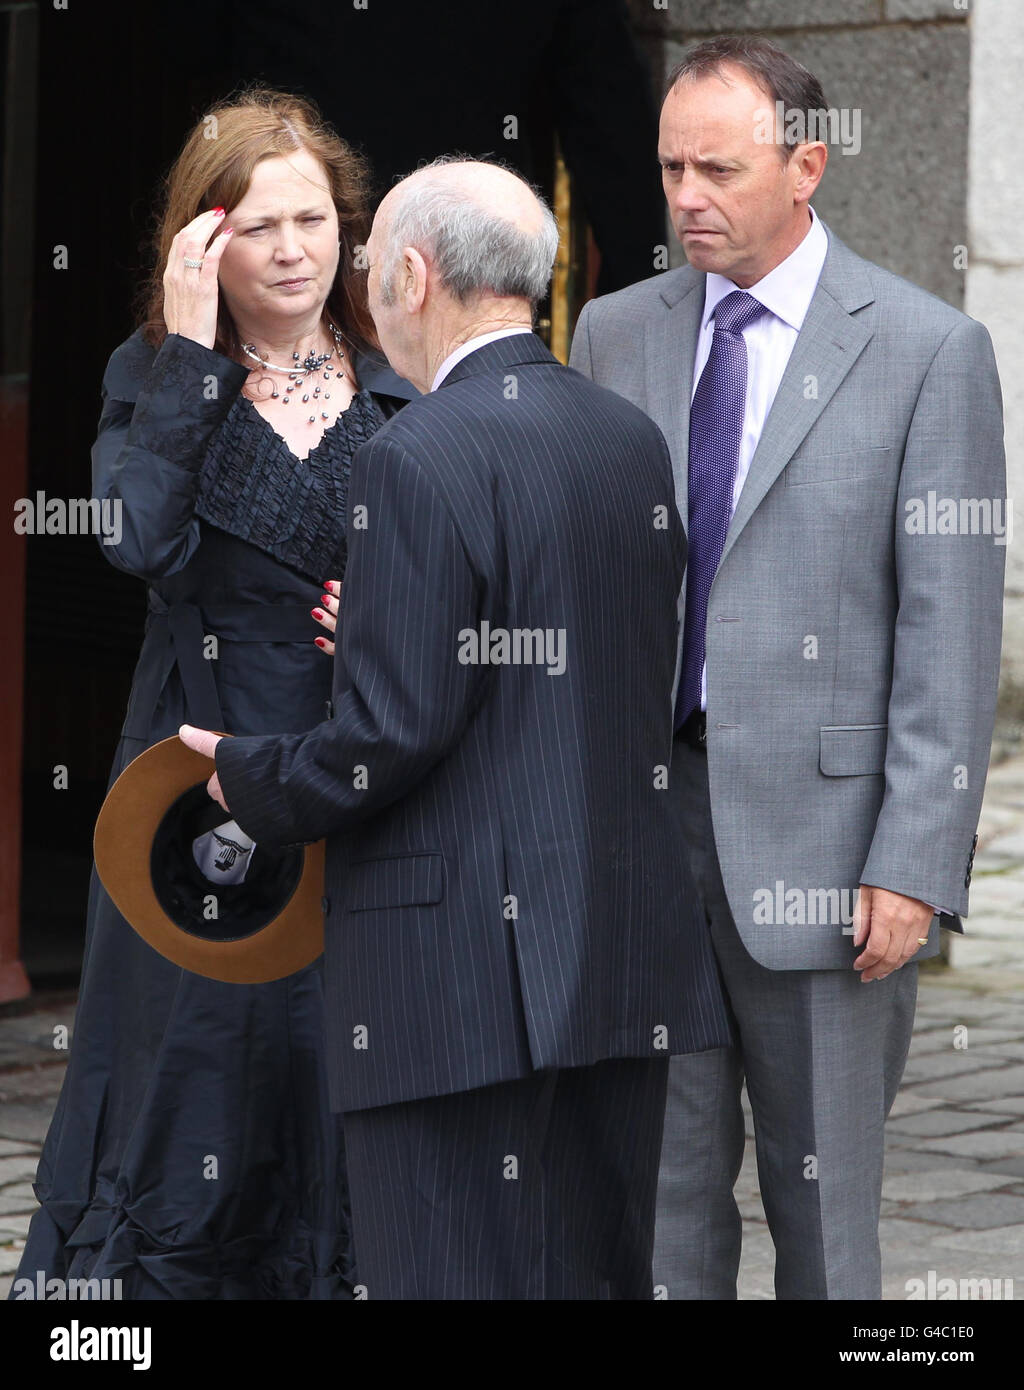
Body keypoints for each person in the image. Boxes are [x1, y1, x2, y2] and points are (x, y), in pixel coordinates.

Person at [180, 157, 733, 1300]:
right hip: (616, 949)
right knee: (592, 1275)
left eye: (375, 262)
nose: (369, 287)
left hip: (452, 974)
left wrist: (249, 777)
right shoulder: (624, 438)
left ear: (417, 274)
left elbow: (393, 729)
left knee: (445, 1274)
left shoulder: (416, 454)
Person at [569, 35, 1006, 1299]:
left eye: (717, 167)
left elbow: (951, 628)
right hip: (648, 837)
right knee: (660, 1207)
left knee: (824, 1225)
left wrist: (913, 863)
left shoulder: (928, 351)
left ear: (806, 166)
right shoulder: (613, 332)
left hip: (828, 849)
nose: (685, 195)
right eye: (668, 168)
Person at [14, 88, 416, 1300]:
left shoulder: (401, 374)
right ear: (203, 244)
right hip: (189, 781)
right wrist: (192, 352)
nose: (294, 249)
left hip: (356, 772)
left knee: (325, 1052)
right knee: (195, 1057)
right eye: (259, 227)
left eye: (313, 219)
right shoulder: (150, 371)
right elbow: (136, 540)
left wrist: (405, 625)